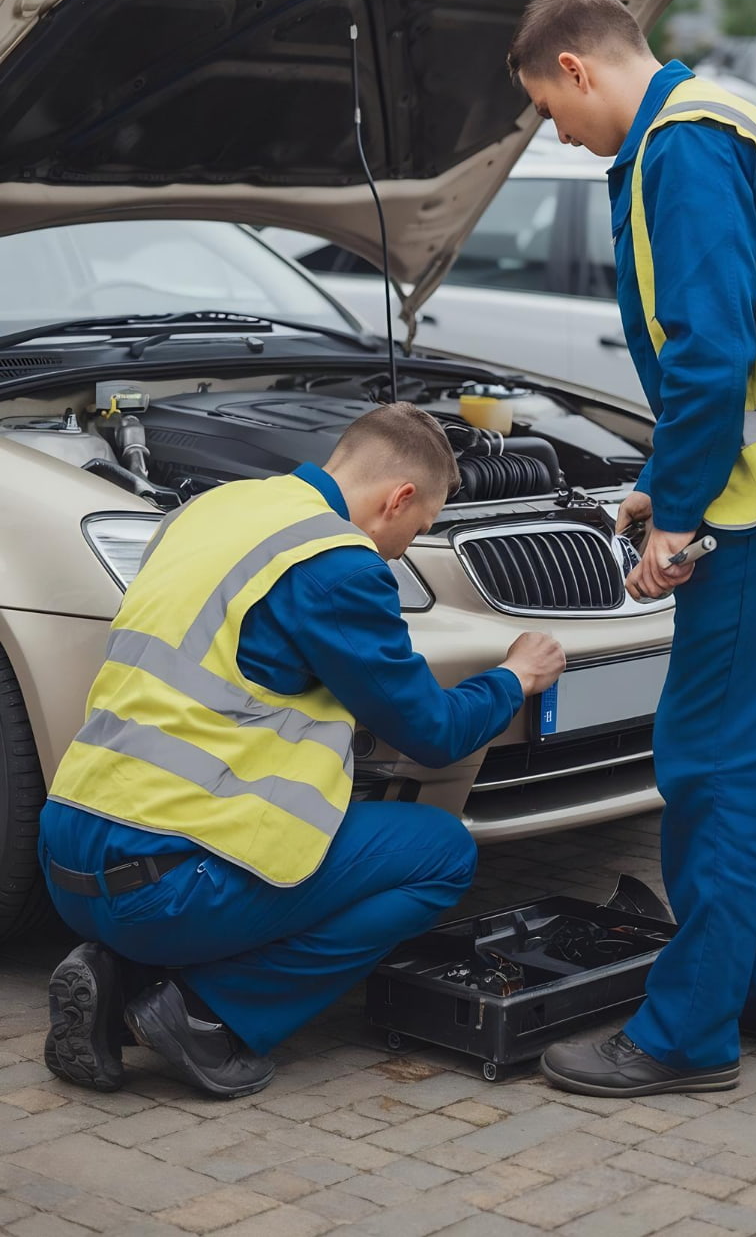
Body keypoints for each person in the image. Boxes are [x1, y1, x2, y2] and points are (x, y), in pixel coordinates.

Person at [507, 0, 756, 1097]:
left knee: (713, 767)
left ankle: (685, 1034)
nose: (559, 133)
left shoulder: (680, 150)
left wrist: (684, 521)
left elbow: (708, 354)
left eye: (550, 114)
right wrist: (664, 480)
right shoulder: (737, 114)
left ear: (575, 69)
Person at [40, 402, 565, 1098]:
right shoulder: (333, 563)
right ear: (399, 498)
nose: (406, 546)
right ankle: (203, 1014)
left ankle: (120, 978)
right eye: (420, 526)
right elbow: (433, 735)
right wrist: (514, 677)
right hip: (170, 888)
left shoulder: (211, 511)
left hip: (69, 854)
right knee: (440, 853)